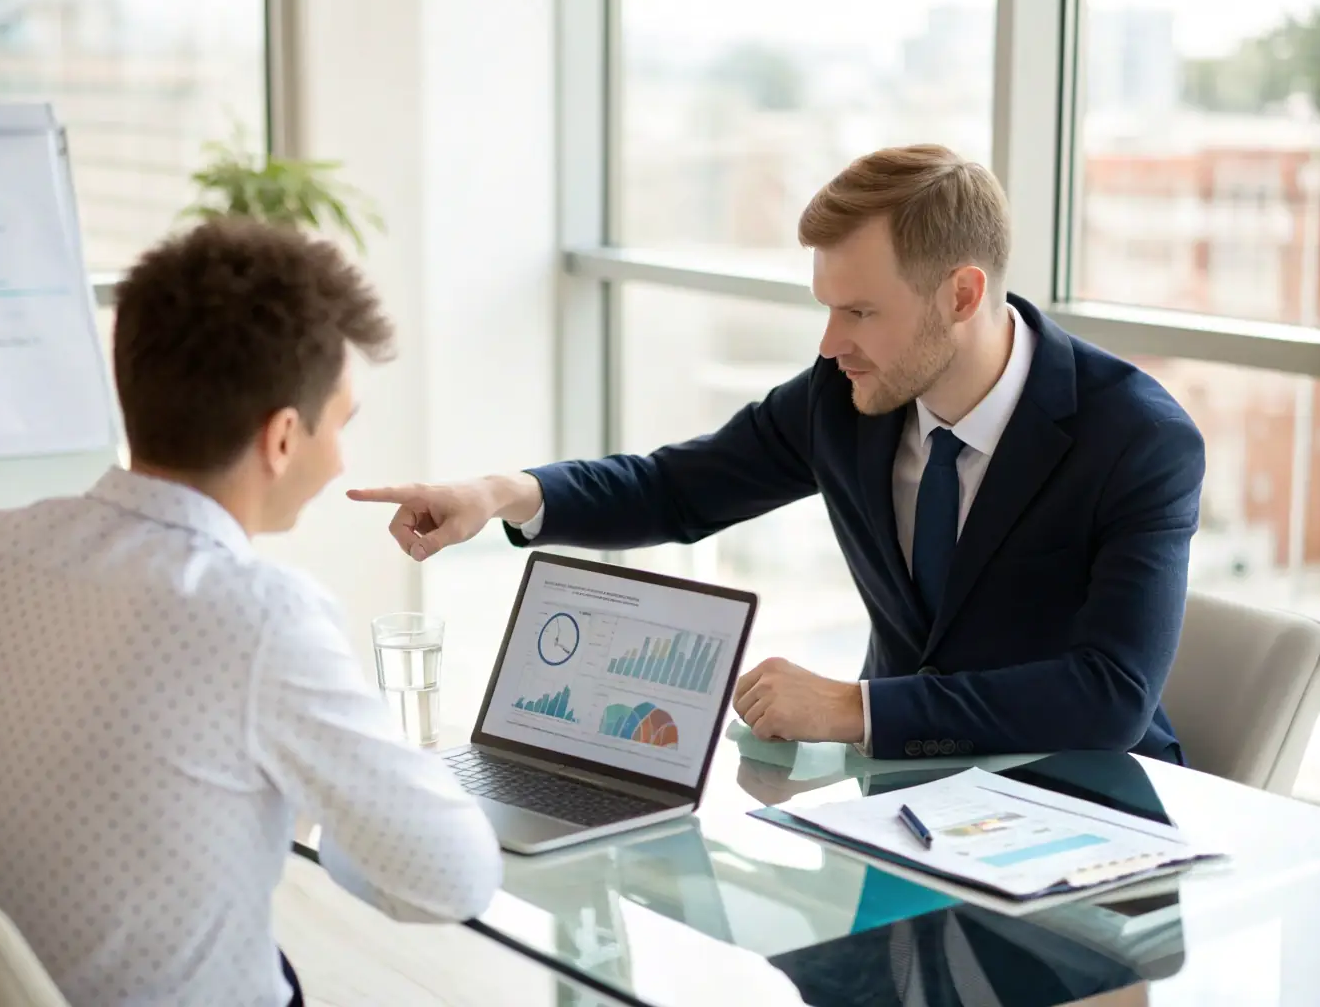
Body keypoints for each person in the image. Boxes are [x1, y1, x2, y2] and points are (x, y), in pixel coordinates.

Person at [348, 144, 1205, 764]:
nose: (830, 343)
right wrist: (503, 492)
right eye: (826, 308)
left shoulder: (1135, 439)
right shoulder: (846, 398)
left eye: (860, 312)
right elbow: (675, 489)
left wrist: (855, 708)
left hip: (1088, 808)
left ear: (962, 293)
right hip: (901, 799)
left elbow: (1108, 697)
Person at [0, 218, 503, 1007]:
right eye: (341, 423)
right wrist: (330, 798)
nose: (343, 457)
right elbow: (455, 878)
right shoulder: (258, 618)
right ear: (282, 437)